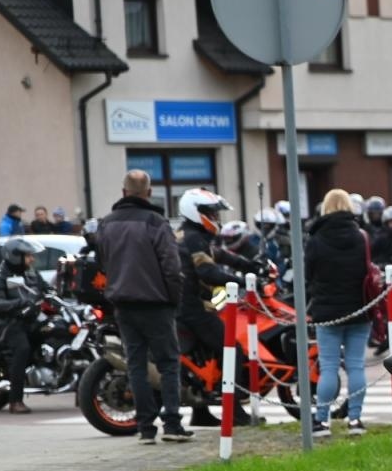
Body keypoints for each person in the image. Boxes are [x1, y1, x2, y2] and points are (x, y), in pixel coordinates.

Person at [97, 169, 190, 442]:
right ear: (149, 193)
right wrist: (174, 298)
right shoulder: (156, 222)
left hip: (124, 304)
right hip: (157, 304)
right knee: (169, 363)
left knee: (136, 365)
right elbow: (172, 266)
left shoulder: (107, 224)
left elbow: (104, 261)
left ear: (123, 192)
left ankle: (145, 428)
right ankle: (172, 424)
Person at [175, 187, 260, 427]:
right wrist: (243, 281)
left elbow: (219, 255)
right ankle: (233, 411)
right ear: (195, 212)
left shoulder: (189, 234)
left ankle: (200, 413)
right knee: (233, 349)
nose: (215, 218)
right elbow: (208, 270)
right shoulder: (193, 237)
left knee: (204, 356)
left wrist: (250, 265)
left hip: (182, 304)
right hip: (193, 307)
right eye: (210, 213)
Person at [303, 189, 372, 436]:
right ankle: (355, 420)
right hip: (359, 309)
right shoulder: (361, 236)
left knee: (329, 367)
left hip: (327, 312)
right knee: (356, 366)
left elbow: (307, 274)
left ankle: (322, 421)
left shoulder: (316, 239)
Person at [0, 236, 51, 412]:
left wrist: (54, 294)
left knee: (56, 330)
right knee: (22, 349)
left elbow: (45, 287)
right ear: (16, 257)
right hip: (8, 323)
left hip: (30, 320)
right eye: (28, 256)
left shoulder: (30, 272)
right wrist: (20, 304)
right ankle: (16, 401)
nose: (32, 259)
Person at [254, 208, 287, 274]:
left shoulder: (278, 241)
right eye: (262, 225)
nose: (265, 228)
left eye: (268, 225)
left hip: (275, 274)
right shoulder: (251, 239)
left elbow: (281, 261)